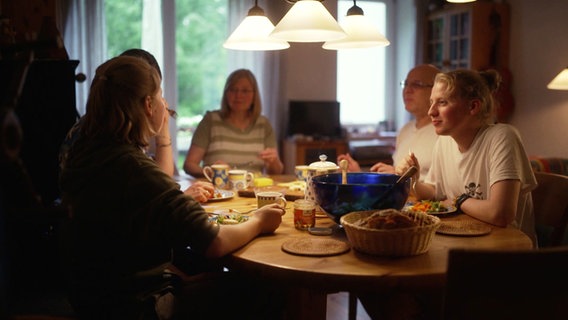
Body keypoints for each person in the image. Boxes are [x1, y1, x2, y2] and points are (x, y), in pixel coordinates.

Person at [58, 56, 286, 319]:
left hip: (96, 298)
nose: (165, 105)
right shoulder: (135, 168)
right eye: (160, 96)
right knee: (269, 290)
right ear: (147, 104)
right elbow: (215, 242)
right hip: (138, 305)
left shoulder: (85, 155)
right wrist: (259, 220)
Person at [398, 68, 537, 244]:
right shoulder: (444, 142)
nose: (431, 111)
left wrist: (458, 200)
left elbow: (500, 214)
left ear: (473, 106)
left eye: (442, 102)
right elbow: (434, 192)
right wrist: (414, 180)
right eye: (431, 102)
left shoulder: (502, 136)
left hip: (508, 252)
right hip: (465, 240)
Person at [59, 48, 215, 203]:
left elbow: (156, 186)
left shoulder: (117, 132)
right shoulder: (113, 146)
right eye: (157, 94)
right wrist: (182, 199)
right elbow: (153, 193)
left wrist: (163, 127)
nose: (161, 101)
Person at [338, 64, 440, 180]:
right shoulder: (405, 130)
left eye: (416, 84)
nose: (407, 90)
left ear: (436, 90)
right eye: (406, 84)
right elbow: (395, 174)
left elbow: (440, 188)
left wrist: (398, 176)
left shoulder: (443, 133)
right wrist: (359, 173)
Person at [183, 69, 284, 177]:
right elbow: (189, 164)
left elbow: (276, 172)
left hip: (253, 191)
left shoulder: (263, 124)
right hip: (218, 191)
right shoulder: (211, 121)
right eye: (233, 90)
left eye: (245, 91)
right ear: (226, 93)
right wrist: (212, 173)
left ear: (254, 95)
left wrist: (274, 161)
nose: (238, 95)